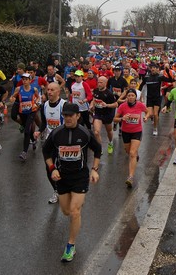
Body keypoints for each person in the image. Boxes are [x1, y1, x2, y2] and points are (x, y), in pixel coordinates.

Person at [42, 103, 102, 262]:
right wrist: (52, 168)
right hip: (61, 178)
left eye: (71, 115)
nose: (67, 118)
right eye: (65, 115)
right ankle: (75, 207)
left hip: (80, 177)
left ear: (78, 116)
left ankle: (71, 245)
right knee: (66, 212)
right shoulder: (56, 133)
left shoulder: (85, 133)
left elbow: (98, 150)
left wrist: (94, 169)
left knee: (75, 211)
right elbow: (45, 151)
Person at [34, 82, 66, 204]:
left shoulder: (64, 105)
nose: (49, 92)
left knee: (64, 167)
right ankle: (56, 191)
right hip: (50, 140)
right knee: (49, 167)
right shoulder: (44, 106)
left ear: (58, 92)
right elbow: (44, 123)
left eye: (52, 90)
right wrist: (39, 131)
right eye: (48, 90)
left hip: (63, 142)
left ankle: (67, 189)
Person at [114, 89, 150, 187]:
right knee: (128, 151)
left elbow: (148, 112)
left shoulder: (140, 105)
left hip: (137, 131)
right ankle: (135, 155)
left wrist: (146, 117)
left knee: (132, 153)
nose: (130, 97)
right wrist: (122, 118)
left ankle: (130, 177)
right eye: (129, 95)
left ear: (135, 97)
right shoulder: (122, 106)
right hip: (126, 132)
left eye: (132, 95)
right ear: (126, 97)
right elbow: (115, 119)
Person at [9, 73, 40, 160]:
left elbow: (38, 98)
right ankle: (33, 141)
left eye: (26, 79)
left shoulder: (34, 89)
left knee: (26, 131)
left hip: (31, 112)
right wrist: (11, 99)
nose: (24, 81)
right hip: (22, 112)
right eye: (23, 79)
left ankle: (24, 152)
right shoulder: (19, 89)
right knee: (28, 129)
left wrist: (36, 103)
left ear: (30, 80)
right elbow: (13, 97)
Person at [138, 62, 174, 136]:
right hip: (149, 97)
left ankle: (155, 128)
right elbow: (141, 86)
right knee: (150, 114)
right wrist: (137, 95)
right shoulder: (147, 77)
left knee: (155, 114)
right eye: (152, 68)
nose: (153, 69)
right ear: (150, 69)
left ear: (157, 69)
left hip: (157, 97)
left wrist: (167, 72)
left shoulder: (160, 77)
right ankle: (150, 118)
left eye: (154, 68)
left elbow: (171, 80)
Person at [90, 76, 118, 154]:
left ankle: (110, 142)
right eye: (98, 82)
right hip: (98, 114)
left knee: (109, 131)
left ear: (105, 83)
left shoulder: (109, 94)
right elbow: (94, 99)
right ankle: (100, 148)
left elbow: (116, 105)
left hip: (107, 114)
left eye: (101, 82)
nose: (99, 84)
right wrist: (92, 105)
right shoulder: (96, 91)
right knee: (96, 132)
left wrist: (107, 105)